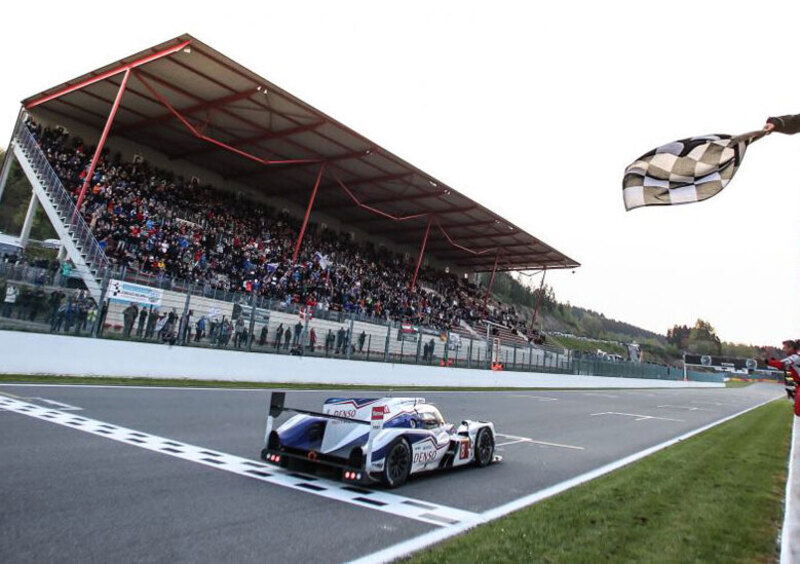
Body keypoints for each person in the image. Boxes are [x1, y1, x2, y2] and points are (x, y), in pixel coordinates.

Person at [766, 339, 800, 416]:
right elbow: (781, 365)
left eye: (785, 348)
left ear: (791, 348)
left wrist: (767, 361)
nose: (783, 350)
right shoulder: (793, 357)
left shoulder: (795, 357)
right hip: (797, 385)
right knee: (797, 411)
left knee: (798, 411)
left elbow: (781, 364)